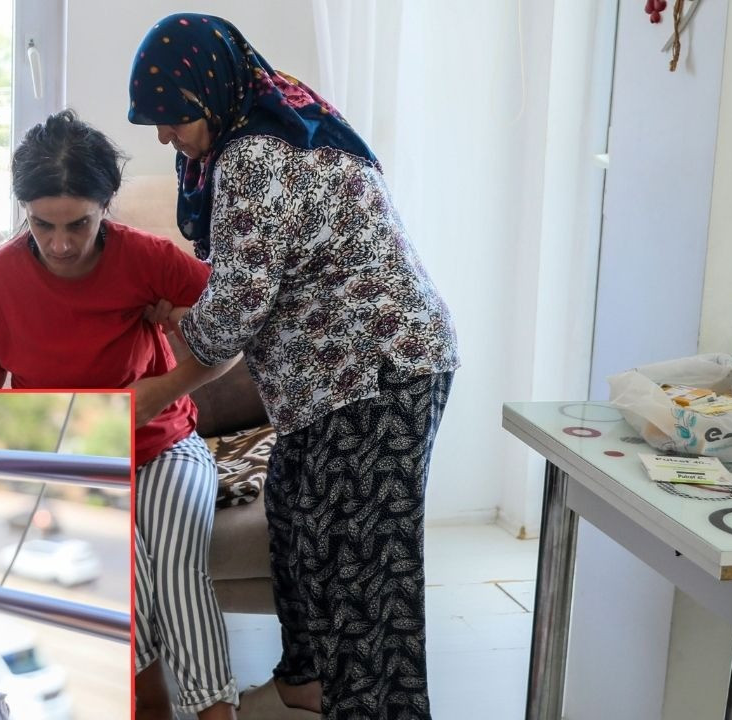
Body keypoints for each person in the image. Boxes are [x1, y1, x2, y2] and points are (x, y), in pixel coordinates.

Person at [128, 13, 460, 720]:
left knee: (364, 575)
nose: (163, 135)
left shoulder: (253, 153)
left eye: (173, 116)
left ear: (208, 90)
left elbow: (238, 309)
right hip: (335, 380)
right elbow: (265, 272)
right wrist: (187, 313)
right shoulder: (276, 111)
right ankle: (306, 684)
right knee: (295, 512)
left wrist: (154, 394)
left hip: (378, 370)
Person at [0, 109, 239, 720]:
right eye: (42, 224)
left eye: (78, 224)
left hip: (165, 447)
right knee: (121, 572)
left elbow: (232, 335)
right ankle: (151, 705)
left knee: (177, 564)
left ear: (105, 206)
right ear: (24, 211)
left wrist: (166, 373)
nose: (60, 244)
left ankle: (218, 714)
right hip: (73, 463)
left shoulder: (148, 258)